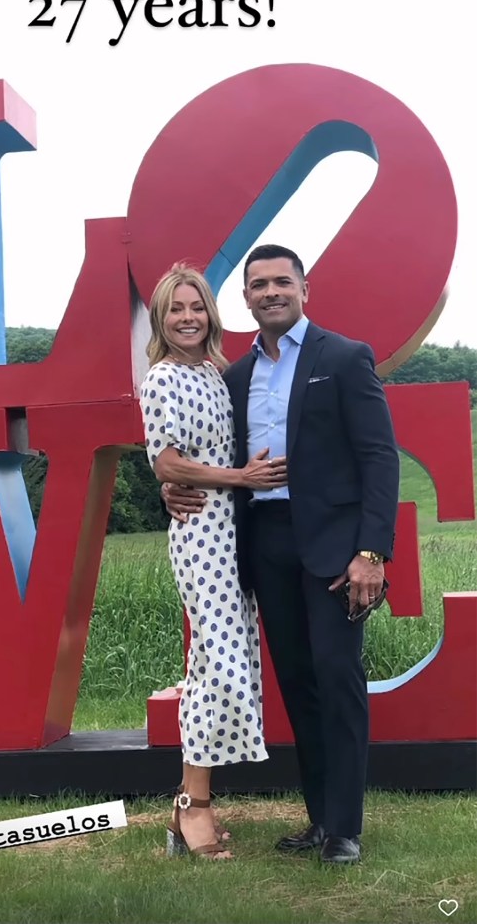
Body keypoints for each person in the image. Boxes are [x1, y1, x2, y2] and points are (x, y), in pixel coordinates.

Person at [164, 244, 400, 865]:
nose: (270, 292)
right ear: (244, 298)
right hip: (265, 543)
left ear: (304, 288)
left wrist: (372, 551)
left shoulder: (345, 358)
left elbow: (380, 457)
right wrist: (171, 481)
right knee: (297, 684)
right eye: (258, 284)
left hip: (337, 548)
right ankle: (319, 822)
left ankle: (346, 829)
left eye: (281, 282)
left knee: (338, 677)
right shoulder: (234, 376)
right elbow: (205, 449)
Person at [139, 263, 286, 860]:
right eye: (176, 308)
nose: (187, 317)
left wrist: (234, 480)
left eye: (196, 306)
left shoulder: (218, 371)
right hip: (201, 534)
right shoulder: (162, 379)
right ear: (160, 318)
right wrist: (239, 478)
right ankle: (192, 809)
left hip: (237, 533)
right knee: (217, 667)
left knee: (227, 664)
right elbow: (168, 464)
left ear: (211, 313)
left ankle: (187, 804)